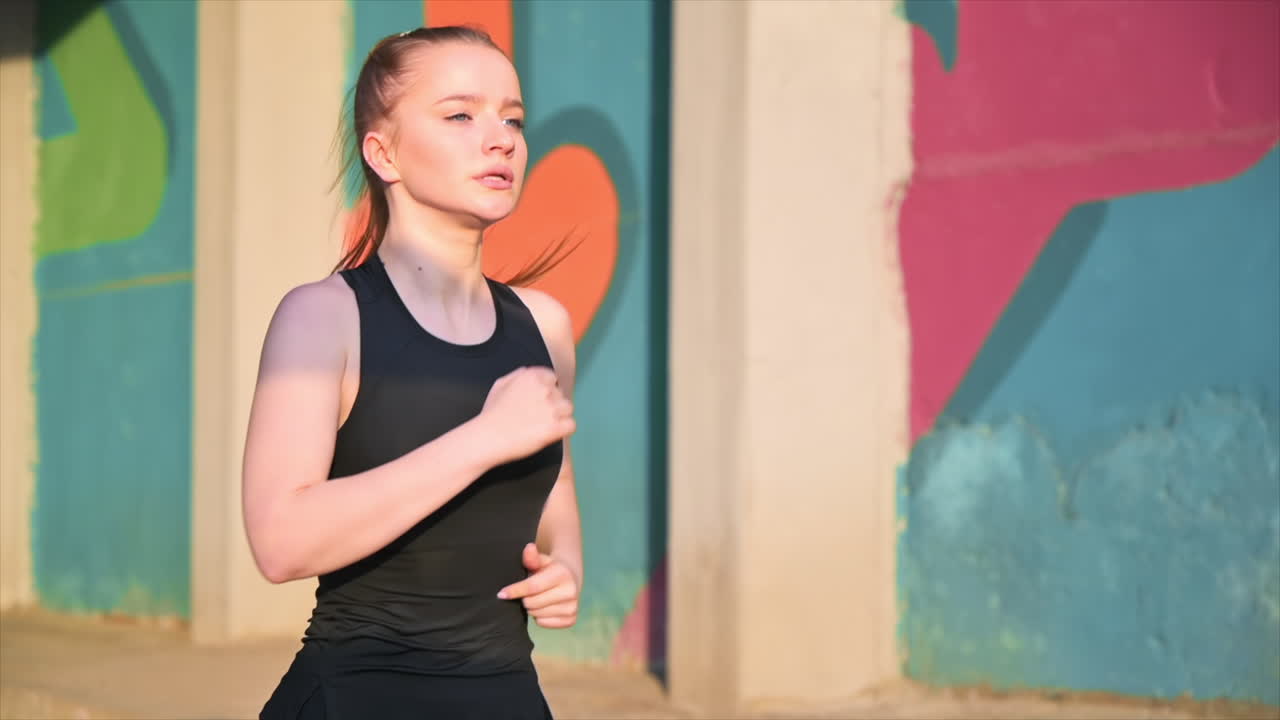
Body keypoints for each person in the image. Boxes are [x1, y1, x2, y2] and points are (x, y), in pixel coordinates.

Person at [242, 26, 583, 719]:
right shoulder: (323, 319)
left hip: (510, 698)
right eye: (460, 115)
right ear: (384, 152)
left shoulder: (544, 326)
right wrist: (484, 439)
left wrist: (566, 563)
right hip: (359, 695)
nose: (501, 139)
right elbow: (278, 541)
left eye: (512, 118)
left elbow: (554, 481)